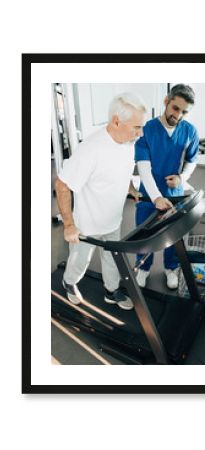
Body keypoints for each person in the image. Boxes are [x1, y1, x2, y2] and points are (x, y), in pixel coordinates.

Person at [55, 92, 146, 310]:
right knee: (80, 261)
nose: (140, 133)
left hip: (113, 218)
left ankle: (111, 292)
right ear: (117, 121)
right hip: (88, 223)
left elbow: (123, 170)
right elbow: (62, 185)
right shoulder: (90, 149)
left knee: (113, 259)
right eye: (136, 127)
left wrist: (131, 188)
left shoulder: (128, 143)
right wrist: (69, 225)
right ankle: (69, 282)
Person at [135, 84, 199, 289]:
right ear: (166, 101)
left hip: (174, 194)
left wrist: (182, 177)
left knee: (173, 234)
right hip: (149, 194)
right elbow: (143, 168)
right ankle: (143, 268)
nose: (178, 115)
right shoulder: (147, 130)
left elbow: (192, 160)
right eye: (175, 108)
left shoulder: (190, 131)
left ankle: (171, 268)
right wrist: (155, 197)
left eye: (184, 111)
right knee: (145, 233)